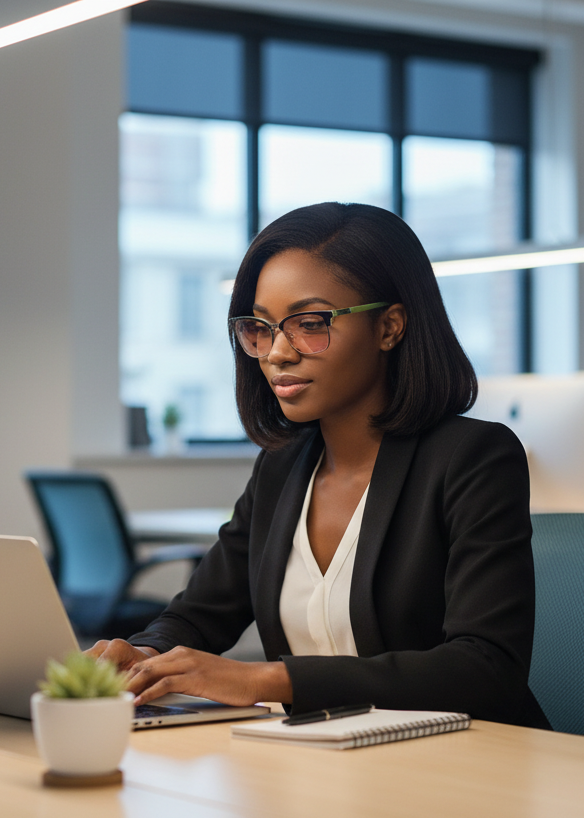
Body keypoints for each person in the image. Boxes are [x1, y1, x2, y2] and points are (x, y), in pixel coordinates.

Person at [88, 202, 550, 728]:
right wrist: (144, 657)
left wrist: (265, 680)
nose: (276, 353)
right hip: (323, 765)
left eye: (309, 324)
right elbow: (197, 616)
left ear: (390, 327)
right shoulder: (282, 468)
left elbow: (485, 669)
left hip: (467, 768)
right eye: (259, 328)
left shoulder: (471, 458)